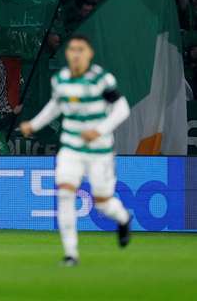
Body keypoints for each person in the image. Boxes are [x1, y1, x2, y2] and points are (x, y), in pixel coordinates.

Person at [20, 34, 132, 266]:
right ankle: (71, 253)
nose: (76, 54)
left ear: (89, 54)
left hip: (99, 150)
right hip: (71, 148)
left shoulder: (101, 79)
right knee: (65, 193)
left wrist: (99, 130)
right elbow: (56, 106)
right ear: (67, 54)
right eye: (72, 50)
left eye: (81, 49)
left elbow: (122, 109)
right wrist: (34, 124)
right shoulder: (60, 79)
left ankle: (123, 219)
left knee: (102, 203)